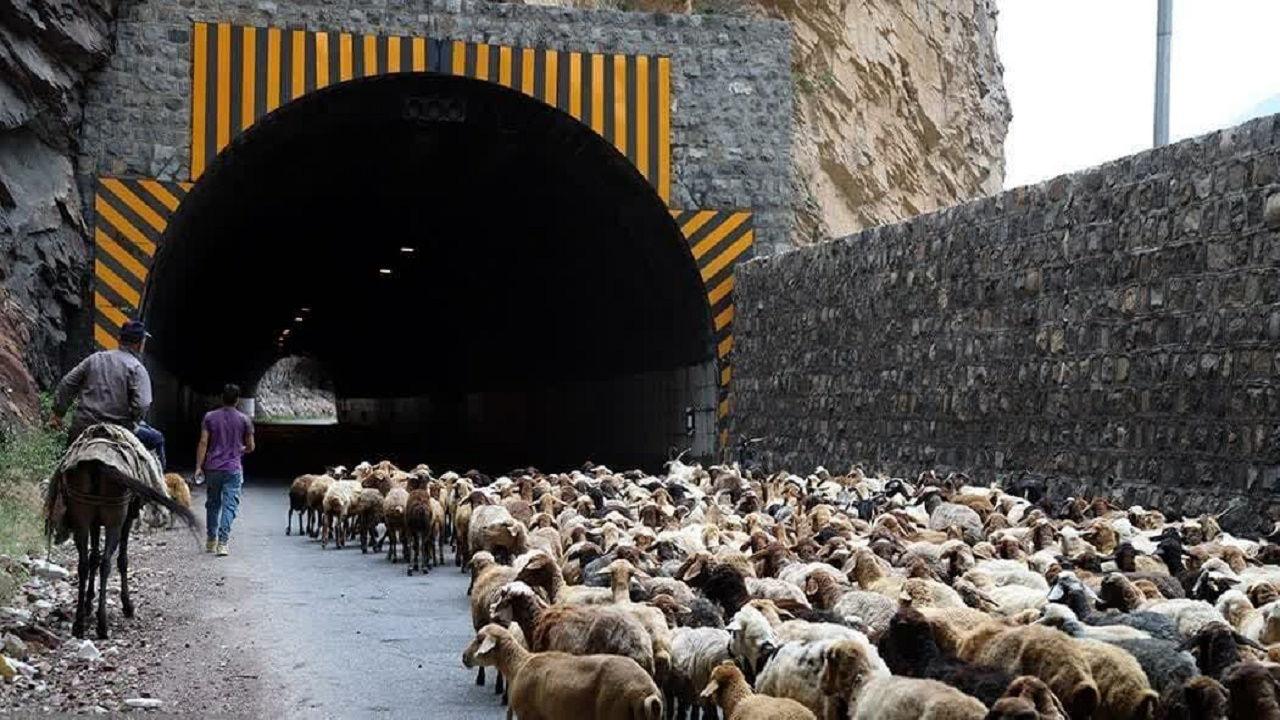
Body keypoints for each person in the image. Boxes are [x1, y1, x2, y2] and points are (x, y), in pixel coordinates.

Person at [50, 320, 165, 466]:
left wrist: (58, 414)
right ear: (139, 344)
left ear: (119, 339)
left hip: (83, 426)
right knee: (157, 439)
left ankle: (52, 482)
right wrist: (134, 419)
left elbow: (67, 383)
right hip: (118, 429)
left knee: (63, 465)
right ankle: (160, 486)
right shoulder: (136, 368)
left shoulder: (95, 359)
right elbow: (142, 404)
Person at [194, 383, 255, 556]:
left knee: (212, 504)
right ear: (237, 400)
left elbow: (204, 442)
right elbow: (250, 446)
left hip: (212, 468)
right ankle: (223, 543)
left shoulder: (209, 417)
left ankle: (211, 540)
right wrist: (239, 449)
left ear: (222, 398)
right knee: (229, 506)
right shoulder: (245, 420)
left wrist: (199, 466)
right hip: (233, 469)